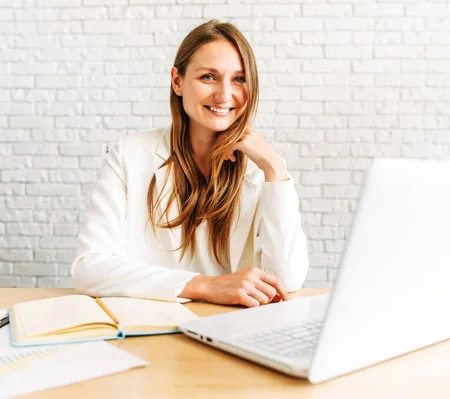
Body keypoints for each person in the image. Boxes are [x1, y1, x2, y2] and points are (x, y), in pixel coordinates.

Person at [71, 20, 309, 308]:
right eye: (208, 77)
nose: (224, 95)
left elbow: (286, 280)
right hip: (150, 326)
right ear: (177, 81)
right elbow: (89, 269)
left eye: (239, 79)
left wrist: (275, 170)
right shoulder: (129, 154)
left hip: (231, 329)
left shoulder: (264, 169)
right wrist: (205, 286)